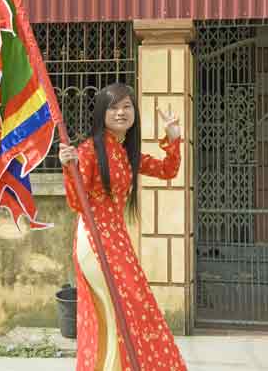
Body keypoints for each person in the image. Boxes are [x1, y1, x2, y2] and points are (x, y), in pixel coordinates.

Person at [59, 82, 187, 371]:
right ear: (102, 112)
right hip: (94, 239)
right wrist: (70, 169)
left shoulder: (125, 153)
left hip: (118, 241)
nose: (121, 112)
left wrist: (173, 137)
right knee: (116, 311)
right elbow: (78, 203)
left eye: (127, 106)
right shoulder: (90, 149)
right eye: (114, 106)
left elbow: (168, 169)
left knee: (129, 311)